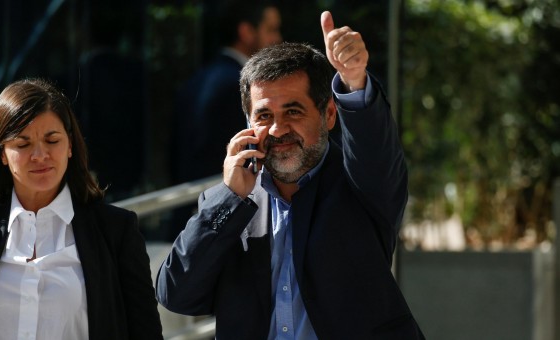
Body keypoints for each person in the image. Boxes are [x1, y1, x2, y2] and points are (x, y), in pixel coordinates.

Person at [156, 11, 425, 339]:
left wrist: (355, 81)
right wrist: (229, 198)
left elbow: (375, 152)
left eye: (293, 112)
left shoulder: (360, 186)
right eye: (264, 115)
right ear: (248, 125)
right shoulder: (231, 203)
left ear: (327, 115)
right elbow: (177, 294)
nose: (278, 129)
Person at [0, 79, 163, 339]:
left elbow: (146, 332)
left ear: (70, 145)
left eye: (52, 140)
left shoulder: (115, 231)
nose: (40, 155)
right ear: (2, 153)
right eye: (23, 144)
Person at [168, 0, 282, 241]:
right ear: (246, 32)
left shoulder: (197, 79)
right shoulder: (242, 87)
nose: (278, 39)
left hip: (189, 218)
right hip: (223, 223)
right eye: (271, 29)